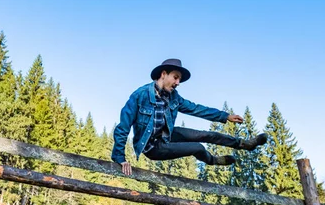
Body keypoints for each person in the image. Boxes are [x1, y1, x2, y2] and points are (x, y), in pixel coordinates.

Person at [111, 58, 267, 176]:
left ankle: (244, 144)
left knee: (206, 134)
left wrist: (225, 116)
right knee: (197, 147)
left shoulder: (174, 97)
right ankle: (213, 160)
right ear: (163, 74)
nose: (178, 82)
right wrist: (120, 157)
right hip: (152, 147)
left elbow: (197, 109)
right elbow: (123, 127)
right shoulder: (140, 95)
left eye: (179, 79)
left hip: (167, 135)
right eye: (175, 77)